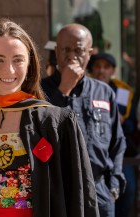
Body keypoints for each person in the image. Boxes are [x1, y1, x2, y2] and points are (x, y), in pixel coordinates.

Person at [0, 18, 99, 217]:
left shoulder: (58, 123)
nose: (9, 70)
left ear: (30, 64)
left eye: (18, 60)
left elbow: (80, 196)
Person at [41, 24, 126, 217]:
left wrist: (114, 185)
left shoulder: (104, 92)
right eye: (66, 50)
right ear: (56, 52)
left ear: (89, 53)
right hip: (57, 193)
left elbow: (117, 143)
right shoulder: (39, 91)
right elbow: (37, 136)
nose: (72, 56)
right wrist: (63, 90)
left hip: (99, 193)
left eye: (78, 50)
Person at [89, 52, 138, 217]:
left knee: (128, 189)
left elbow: (131, 126)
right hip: (94, 155)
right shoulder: (84, 89)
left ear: (113, 70)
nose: (101, 70)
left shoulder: (123, 91)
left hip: (120, 154)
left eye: (106, 67)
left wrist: (123, 121)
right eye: (97, 66)